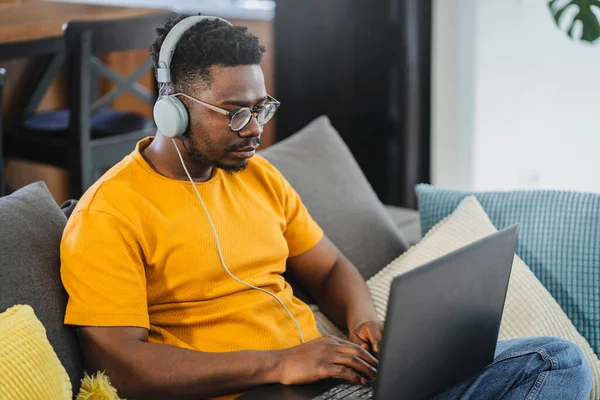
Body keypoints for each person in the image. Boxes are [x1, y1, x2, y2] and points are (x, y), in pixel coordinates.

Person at [60, 15, 593, 400]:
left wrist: (363, 320)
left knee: (556, 361)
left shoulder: (259, 176)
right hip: (263, 390)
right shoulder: (110, 214)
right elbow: (119, 366)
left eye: (261, 107)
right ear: (172, 111)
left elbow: (332, 265)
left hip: (336, 378)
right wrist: (280, 364)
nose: (255, 130)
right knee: (552, 363)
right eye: (235, 113)